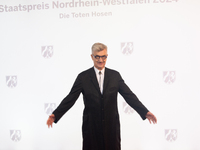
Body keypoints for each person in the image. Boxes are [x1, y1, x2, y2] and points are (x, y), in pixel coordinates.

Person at [46, 43, 157, 150]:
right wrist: (55, 114)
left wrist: (145, 112)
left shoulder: (115, 76)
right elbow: (70, 98)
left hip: (111, 127)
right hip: (91, 128)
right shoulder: (83, 77)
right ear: (92, 56)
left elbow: (129, 96)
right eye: (97, 57)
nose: (100, 60)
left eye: (104, 57)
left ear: (107, 56)